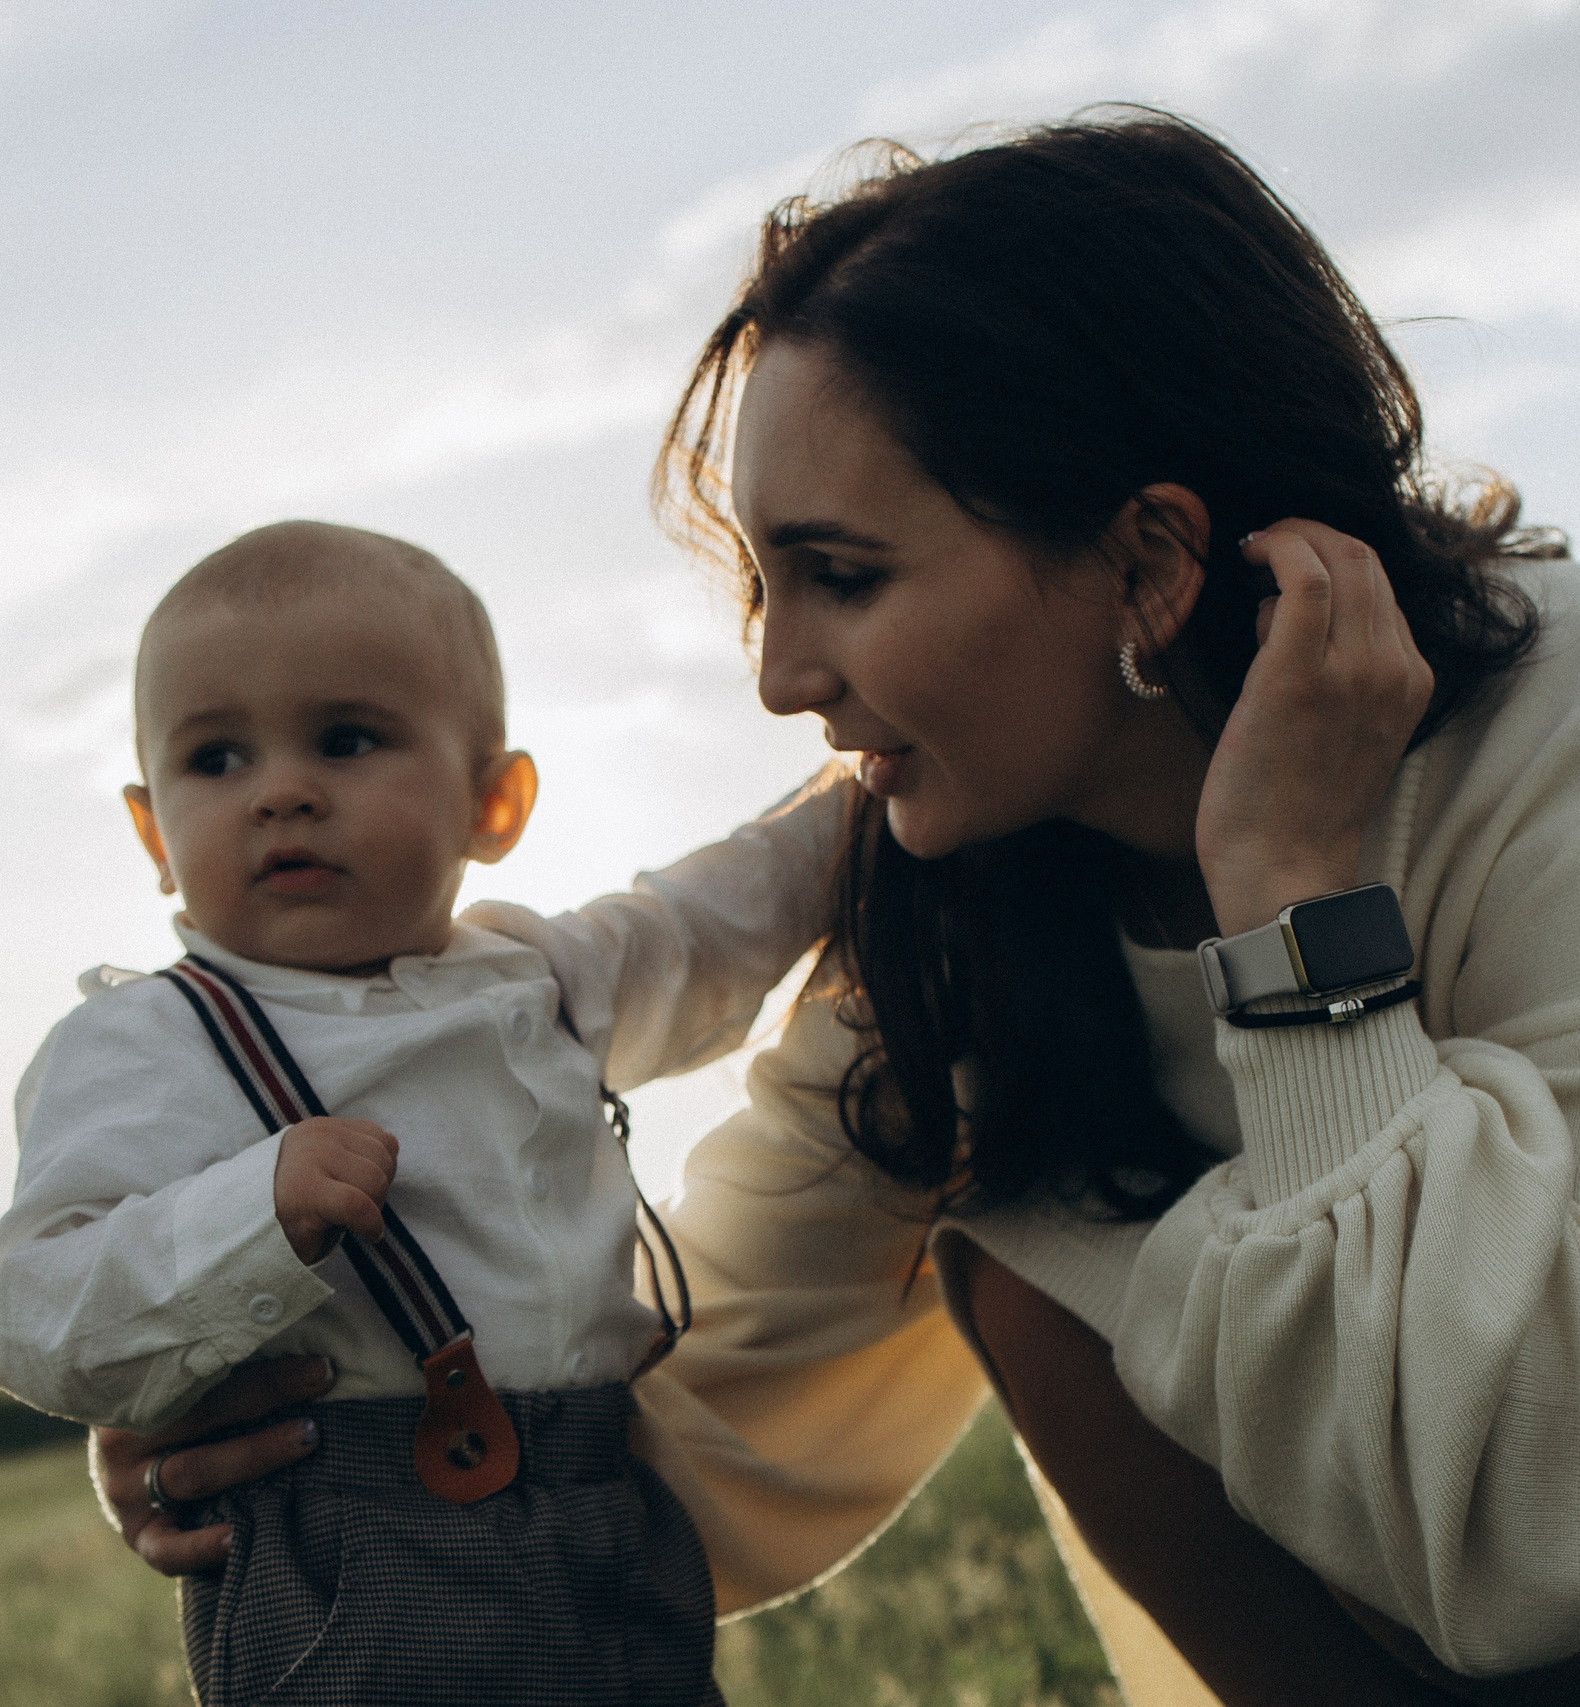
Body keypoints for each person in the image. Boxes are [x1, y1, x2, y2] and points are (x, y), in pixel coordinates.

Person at [85, 112, 1580, 1707]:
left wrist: (1292, 906)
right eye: (763, 582)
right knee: (1036, 1271)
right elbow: (681, 1434)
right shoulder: (952, 916)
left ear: (1149, 563)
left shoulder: (1542, 741)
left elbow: (1531, 1522)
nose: (780, 675)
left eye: (845, 576)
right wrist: (312, 1428)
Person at [0, 519, 843, 1706]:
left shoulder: (535, 979)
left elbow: (714, 919)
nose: (281, 792)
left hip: (603, 1510)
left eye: (346, 740)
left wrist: (863, 797)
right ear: (151, 833)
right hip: (352, 1557)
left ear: (494, 802)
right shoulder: (150, 1042)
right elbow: (29, 1310)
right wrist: (247, 1214)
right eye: (216, 759)